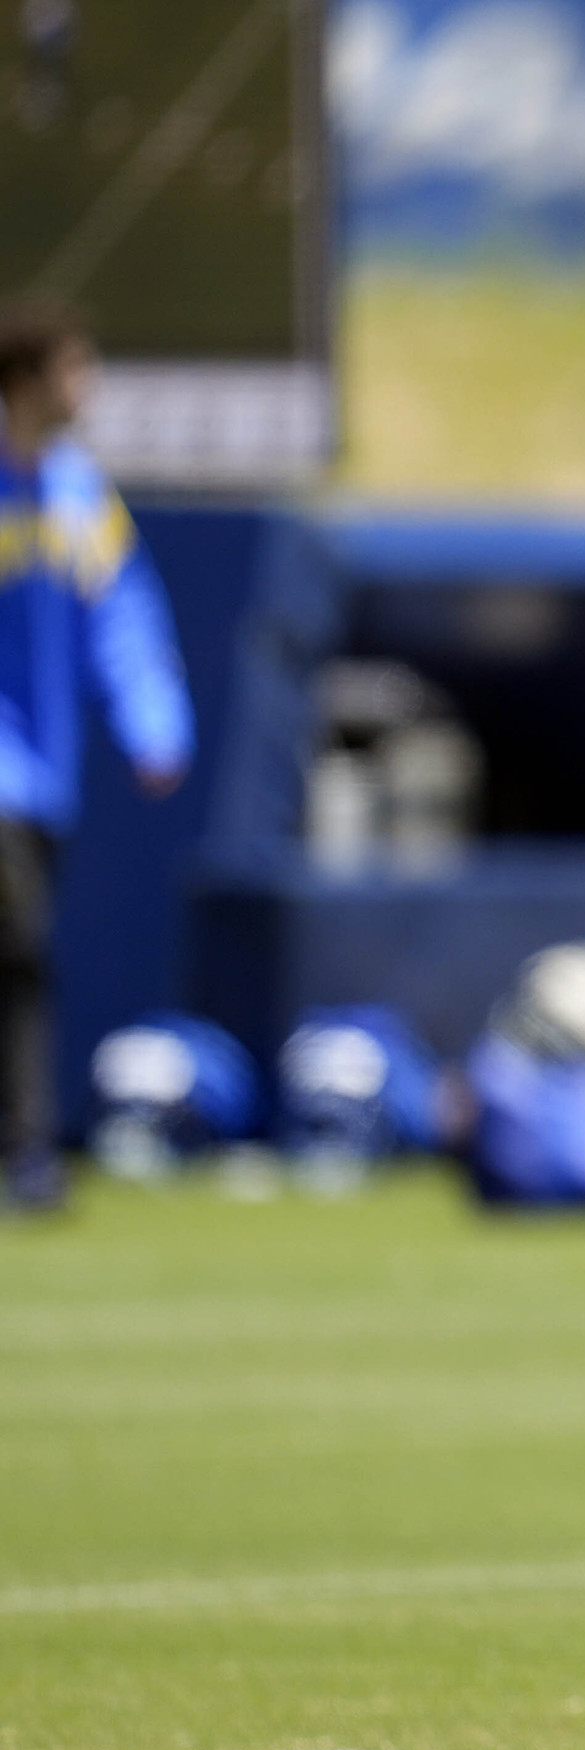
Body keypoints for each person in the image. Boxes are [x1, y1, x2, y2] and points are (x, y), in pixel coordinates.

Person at [0, 301, 191, 1215]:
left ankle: (26, 1152)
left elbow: (122, 618)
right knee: (20, 946)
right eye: (75, 370)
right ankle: (28, 1150)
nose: (90, 389)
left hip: (43, 775)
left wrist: (153, 725)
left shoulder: (77, 497)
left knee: (24, 959)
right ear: (28, 379)